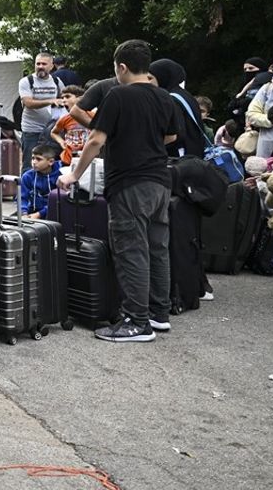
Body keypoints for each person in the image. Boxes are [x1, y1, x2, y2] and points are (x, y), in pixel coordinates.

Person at [58, 40, 179, 343]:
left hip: (129, 183)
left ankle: (137, 322)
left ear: (121, 67)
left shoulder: (117, 95)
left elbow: (96, 140)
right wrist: (145, 144)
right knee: (157, 248)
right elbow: (172, 135)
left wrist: (74, 174)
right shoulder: (165, 97)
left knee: (131, 250)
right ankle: (158, 314)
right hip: (160, 181)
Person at [17, 53, 67, 170]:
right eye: (38, 64)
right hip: (32, 129)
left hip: (52, 131)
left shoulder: (57, 81)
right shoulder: (26, 81)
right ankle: (28, 188)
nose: (40, 66)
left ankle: (47, 188)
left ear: (51, 66)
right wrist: (51, 101)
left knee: (50, 164)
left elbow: (64, 99)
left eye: (44, 64)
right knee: (30, 165)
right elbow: (28, 103)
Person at [150, 59, 208, 159]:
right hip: (195, 155)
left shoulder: (170, 99)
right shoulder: (186, 95)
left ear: (162, 77)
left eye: (150, 78)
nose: (148, 82)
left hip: (180, 158)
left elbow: (175, 135)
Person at [50, 85, 90, 165]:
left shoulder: (91, 115)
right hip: (68, 158)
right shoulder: (65, 119)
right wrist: (61, 142)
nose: (64, 100)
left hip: (87, 156)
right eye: (63, 98)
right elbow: (53, 132)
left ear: (80, 98)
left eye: (68, 97)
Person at [20, 144, 63, 219]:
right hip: (31, 212)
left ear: (51, 162)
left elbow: (59, 201)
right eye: (33, 158)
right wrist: (24, 213)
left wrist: (40, 214)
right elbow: (22, 198)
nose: (34, 162)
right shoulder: (27, 176)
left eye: (38, 159)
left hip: (54, 213)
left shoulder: (60, 176)